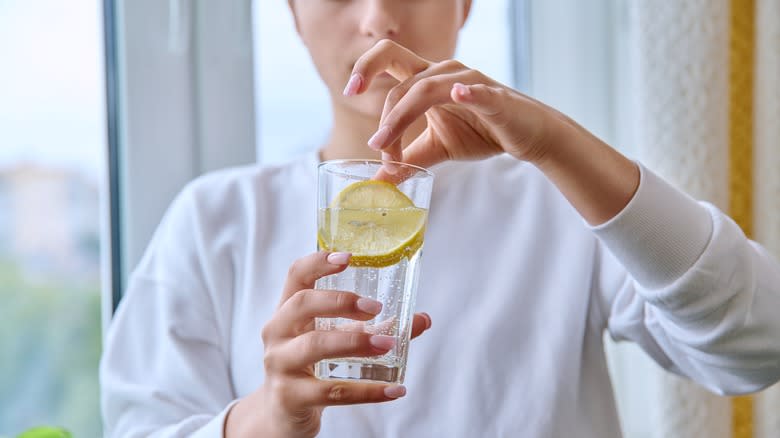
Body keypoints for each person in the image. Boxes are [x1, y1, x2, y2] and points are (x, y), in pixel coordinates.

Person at [100, 1, 780, 437]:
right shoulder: (215, 221)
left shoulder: (559, 199)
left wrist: (556, 144)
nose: (377, 20)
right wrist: (264, 417)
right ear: (293, 11)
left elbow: (760, 343)